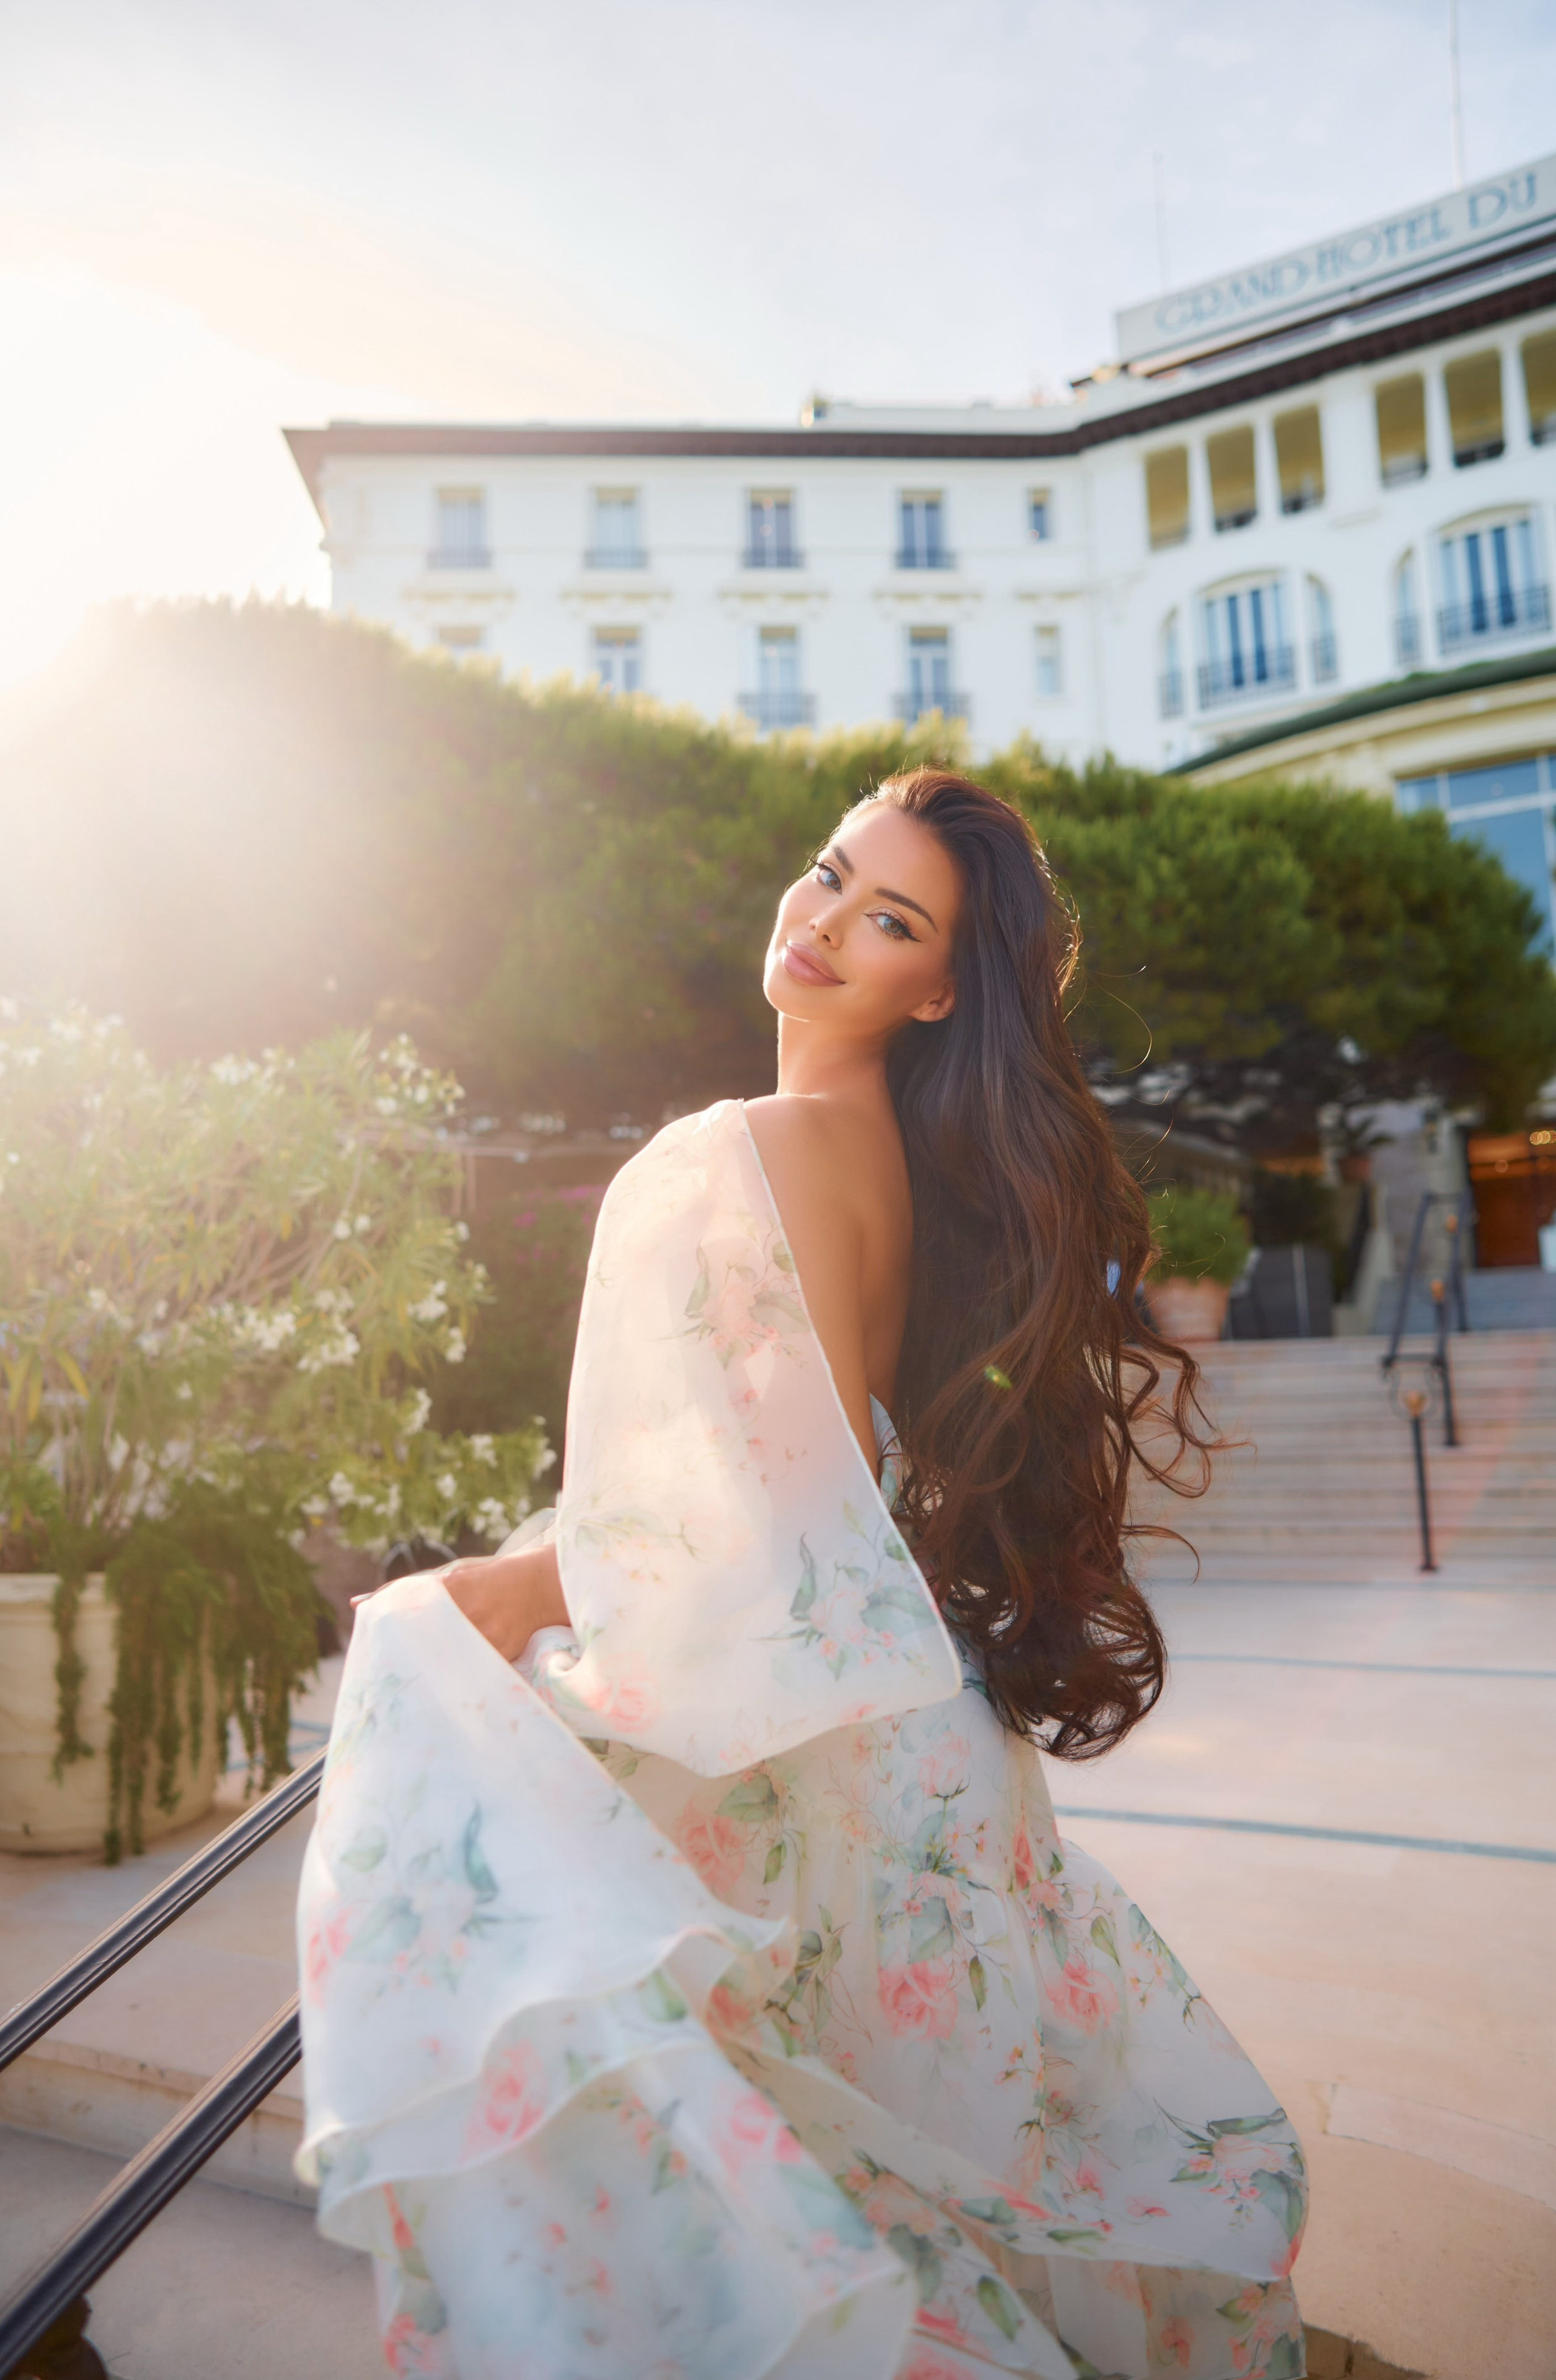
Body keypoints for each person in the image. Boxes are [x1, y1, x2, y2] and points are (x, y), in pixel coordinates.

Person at [298, 770, 1306, 2380]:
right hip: (928, 1755)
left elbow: (757, 1505)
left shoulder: (754, 1147)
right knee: (900, 2217)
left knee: (799, 2239)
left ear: (941, 989)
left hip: (824, 1775)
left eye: (889, 919)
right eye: (831, 874)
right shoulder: (900, 1168)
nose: (825, 922)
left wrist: (515, 1593)